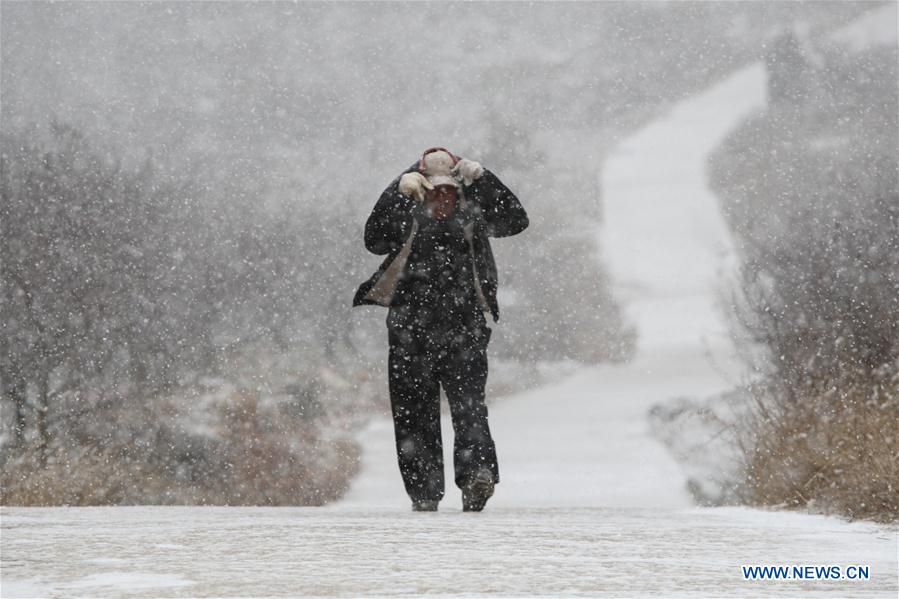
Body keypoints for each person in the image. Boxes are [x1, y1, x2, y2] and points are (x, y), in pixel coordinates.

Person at [353, 147, 528, 512]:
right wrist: (396, 192)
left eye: (449, 192)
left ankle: (478, 476)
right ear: (422, 190)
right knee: (413, 414)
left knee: (470, 409)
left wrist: (484, 179)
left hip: (463, 329)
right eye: (435, 192)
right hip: (409, 332)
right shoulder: (407, 212)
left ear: (459, 190)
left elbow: (515, 221)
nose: (442, 199)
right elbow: (374, 240)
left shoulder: (472, 212)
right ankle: (424, 493)